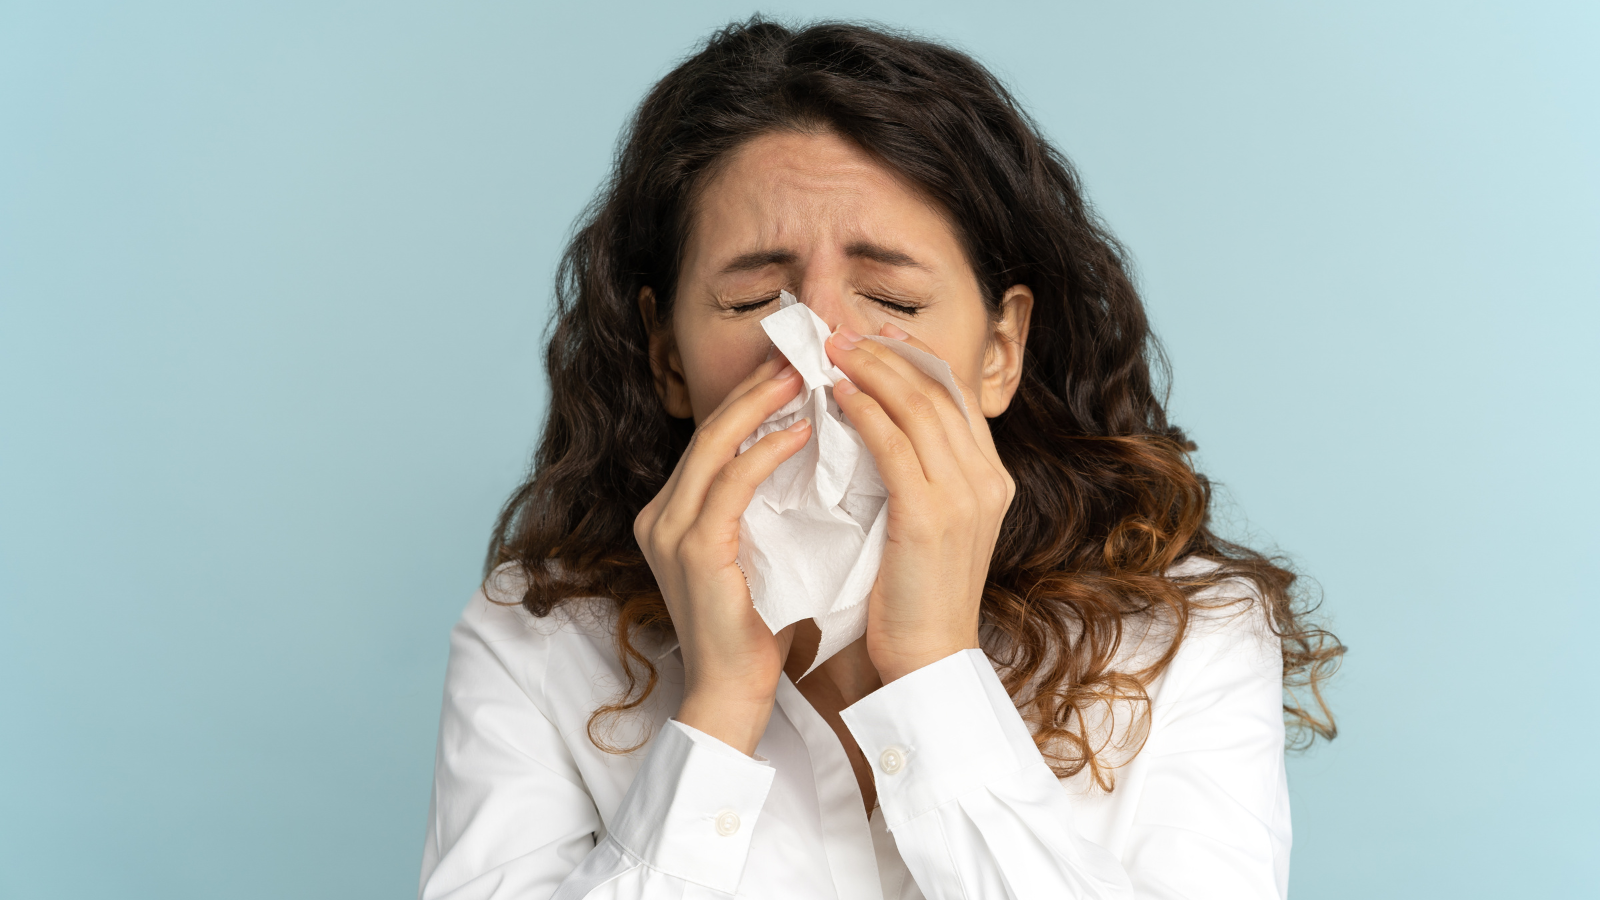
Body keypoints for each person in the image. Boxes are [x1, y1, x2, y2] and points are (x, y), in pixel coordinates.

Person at [418, 18, 1342, 900]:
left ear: (999, 351)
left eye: (892, 301)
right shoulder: (535, 641)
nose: (816, 350)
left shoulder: (1190, 639)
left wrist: (936, 672)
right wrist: (717, 714)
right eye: (752, 304)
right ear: (668, 358)